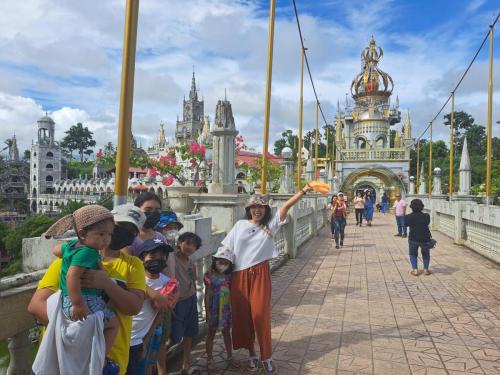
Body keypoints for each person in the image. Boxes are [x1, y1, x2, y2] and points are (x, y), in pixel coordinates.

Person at [29, 204, 147, 375]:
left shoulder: (133, 265)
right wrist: (77, 331)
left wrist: (106, 283)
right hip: (63, 357)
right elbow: (35, 305)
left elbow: (134, 307)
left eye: (132, 231)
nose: (123, 234)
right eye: (120, 227)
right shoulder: (70, 261)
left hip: (107, 362)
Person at [221, 183, 314, 375]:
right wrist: (217, 268)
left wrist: (304, 190)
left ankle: (267, 356)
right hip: (238, 275)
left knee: (260, 316)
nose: (257, 210)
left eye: (261, 207)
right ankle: (252, 354)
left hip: (260, 274)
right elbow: (226, 248)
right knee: (243, 317)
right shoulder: (240, 226)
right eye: (253, 207)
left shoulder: (270, 224)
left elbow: (287, 206)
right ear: (248, 209)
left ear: (266, 209)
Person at [44, 205, 120, 365]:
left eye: (109, 234)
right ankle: (100, 359)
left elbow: (56, 250)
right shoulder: (89, 252)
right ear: (83, 234)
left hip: (66, 299)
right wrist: (78, 304)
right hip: (81, 300)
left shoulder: (73, 245)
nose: (106, 239)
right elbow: (72, 276)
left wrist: (67, 256)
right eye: (101, 234)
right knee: (113, 323)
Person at [126, 192, 176, 375]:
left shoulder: (160, 237)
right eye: (148, 210)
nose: (153, 214)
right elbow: (126, 276)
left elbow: (167, 270)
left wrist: (171, 293)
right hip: (139, 302)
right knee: (140, 349)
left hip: (160, 302)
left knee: (160, 341)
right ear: (137, 210)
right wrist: (154, 294)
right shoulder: (130, 237)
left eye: (157, 210)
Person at [169, 232, 203, 375]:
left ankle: (186, 364)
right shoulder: (171, 258)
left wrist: (194, 296)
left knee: (189, 333)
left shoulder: (191, 263)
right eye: (187, 243)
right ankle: (158, 363)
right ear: (179, 243)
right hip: (177, 303)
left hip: (190, 300)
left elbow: (193, 281)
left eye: (194, 245)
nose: (190, 247)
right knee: (174, 337)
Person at [204, 246, 238, 371]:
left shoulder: (230, 276)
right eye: (220, 262)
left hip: (226, 310)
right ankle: (209, 360)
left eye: (226, 263)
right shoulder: (209, 275)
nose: (222, 265)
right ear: (215, 261)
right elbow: (207, 294)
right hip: (213, 309)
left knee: (226, 333)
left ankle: (230, 357)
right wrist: (207, 312)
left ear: (230, 265)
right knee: (211, 334)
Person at [404, 199, 435, 276]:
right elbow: (427, 223)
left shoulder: (408, 217)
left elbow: (405, 224)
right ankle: (426, 270)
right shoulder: (426, 216)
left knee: (413, 254)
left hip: (413, 238)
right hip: (425, 238)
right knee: (425, 254)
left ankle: (415, 270)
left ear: (411, 207)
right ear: (422, 207)